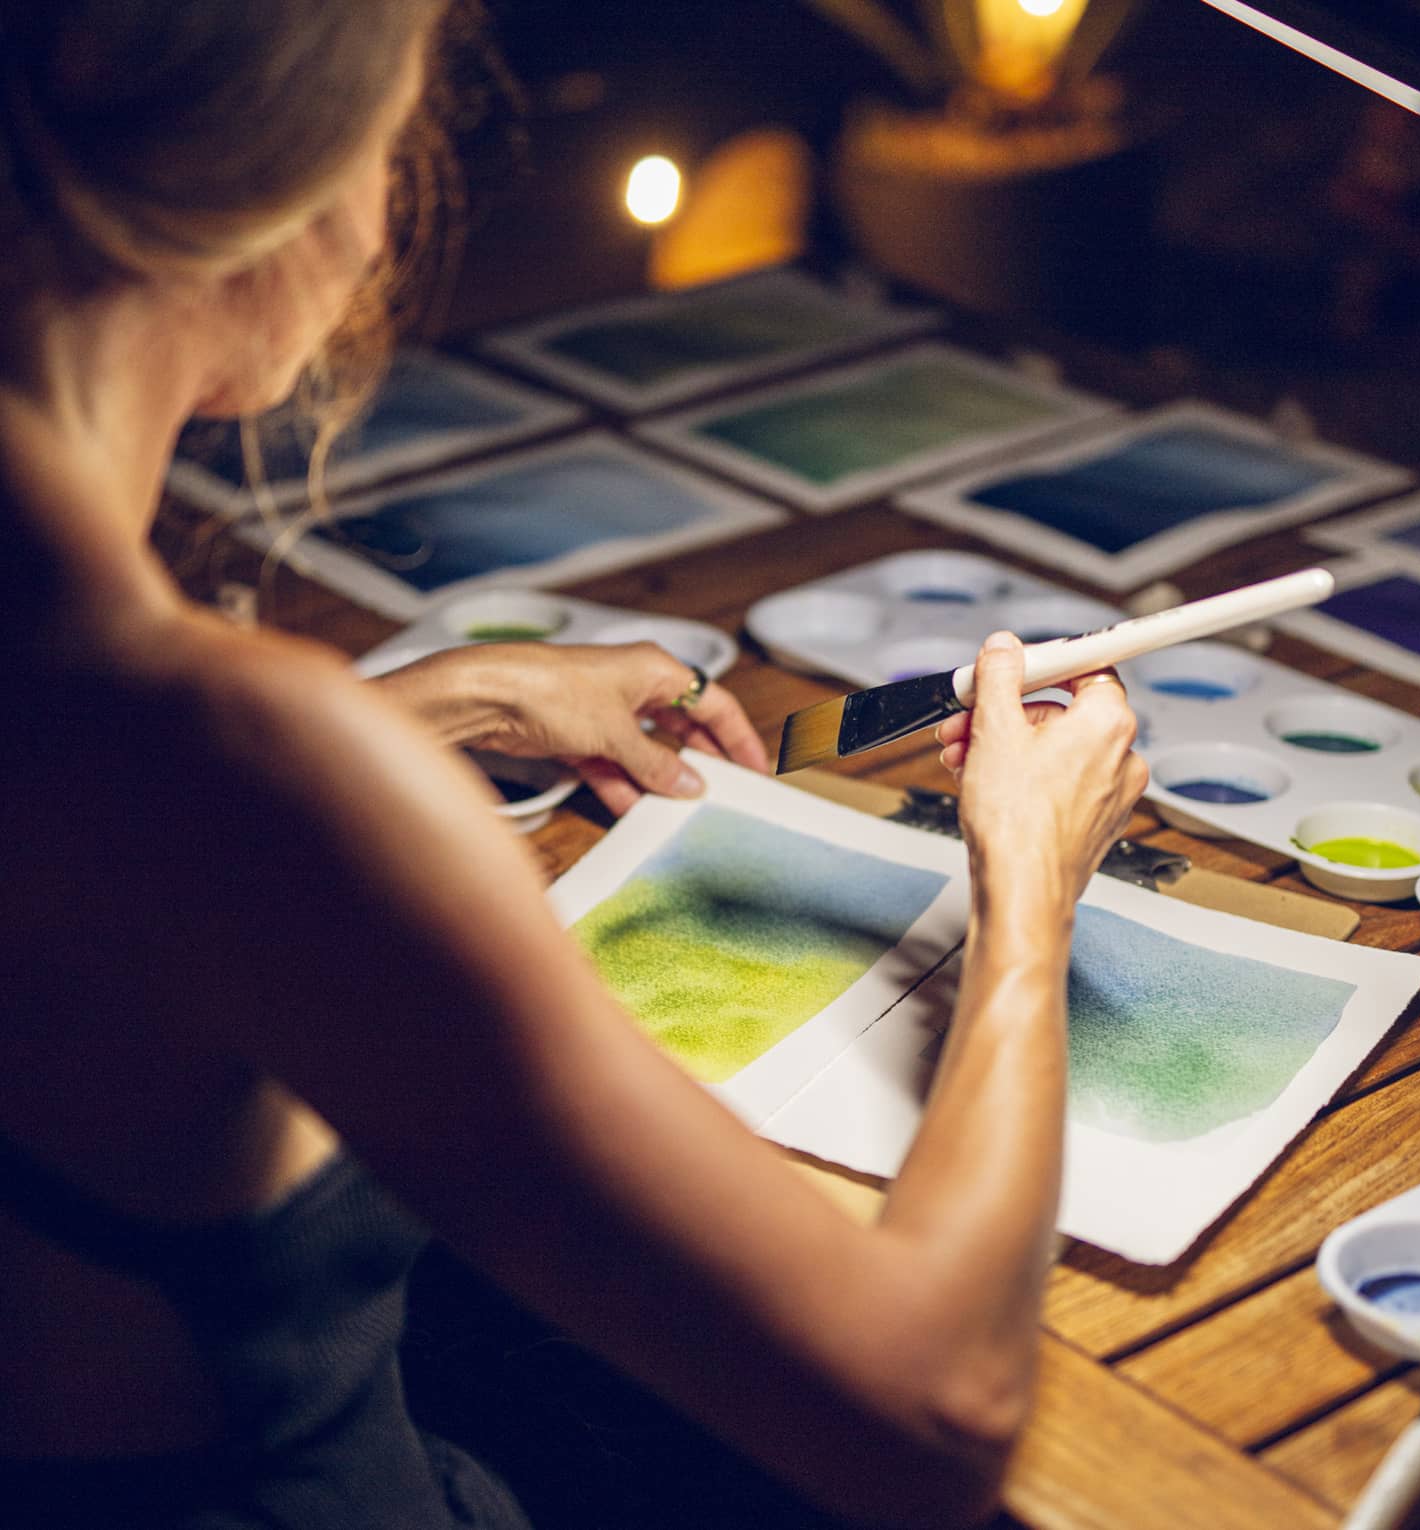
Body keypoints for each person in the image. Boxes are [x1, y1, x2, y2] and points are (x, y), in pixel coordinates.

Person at [0, 4, 1148, 1528]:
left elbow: (115, 847)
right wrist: (1029, 889)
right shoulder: (249, 762)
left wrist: (433, 700)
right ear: (276, 194)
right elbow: (935, 1410)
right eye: (398, 133)